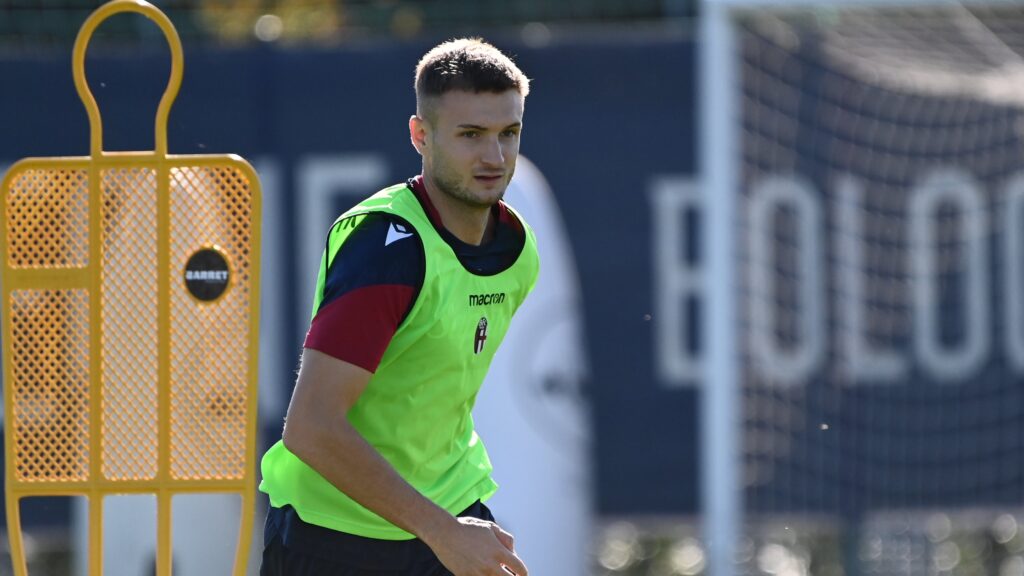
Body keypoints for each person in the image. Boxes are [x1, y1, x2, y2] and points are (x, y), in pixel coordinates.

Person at [259, 38, 537, 576]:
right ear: (420, 136)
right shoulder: (385, 248)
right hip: (335, 539)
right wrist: (441, 529)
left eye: (509, 133)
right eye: (471, 135)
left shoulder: (517, 250)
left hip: (450, 518)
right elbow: (311, 427)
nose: (495, 157)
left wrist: (447, 528)